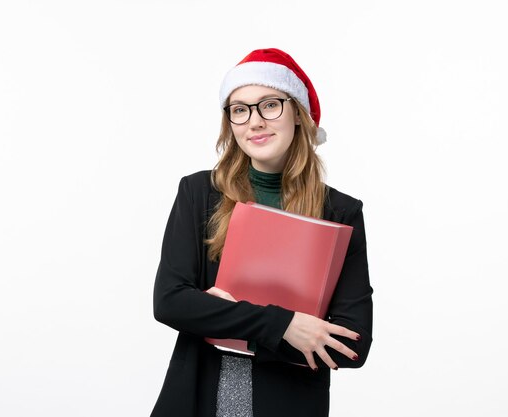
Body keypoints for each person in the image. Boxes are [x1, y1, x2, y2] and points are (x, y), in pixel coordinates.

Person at [150, 48, 373, 417]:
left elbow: (352, 345)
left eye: (269, 105)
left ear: (298, 115)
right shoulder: (198, 193)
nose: (254, 121)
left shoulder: (340, 213)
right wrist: (285, 325)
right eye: (239, 109)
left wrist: (218, 314)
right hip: (196, 399)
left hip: (289, 403)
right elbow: (171, 302)